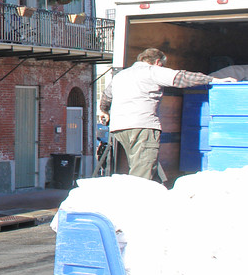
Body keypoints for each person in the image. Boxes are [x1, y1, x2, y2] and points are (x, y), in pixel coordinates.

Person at [98, 48, 236, 180]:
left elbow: (106, 97)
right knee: (142, 172)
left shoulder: (121, 75)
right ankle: (138, 201)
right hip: (142, 126)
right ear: (158, 62)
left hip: (119, 128)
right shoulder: (152, 71)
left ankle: (158, 196)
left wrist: (104, 111)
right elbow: (182, 77)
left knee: (146, 165)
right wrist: (214, 80)